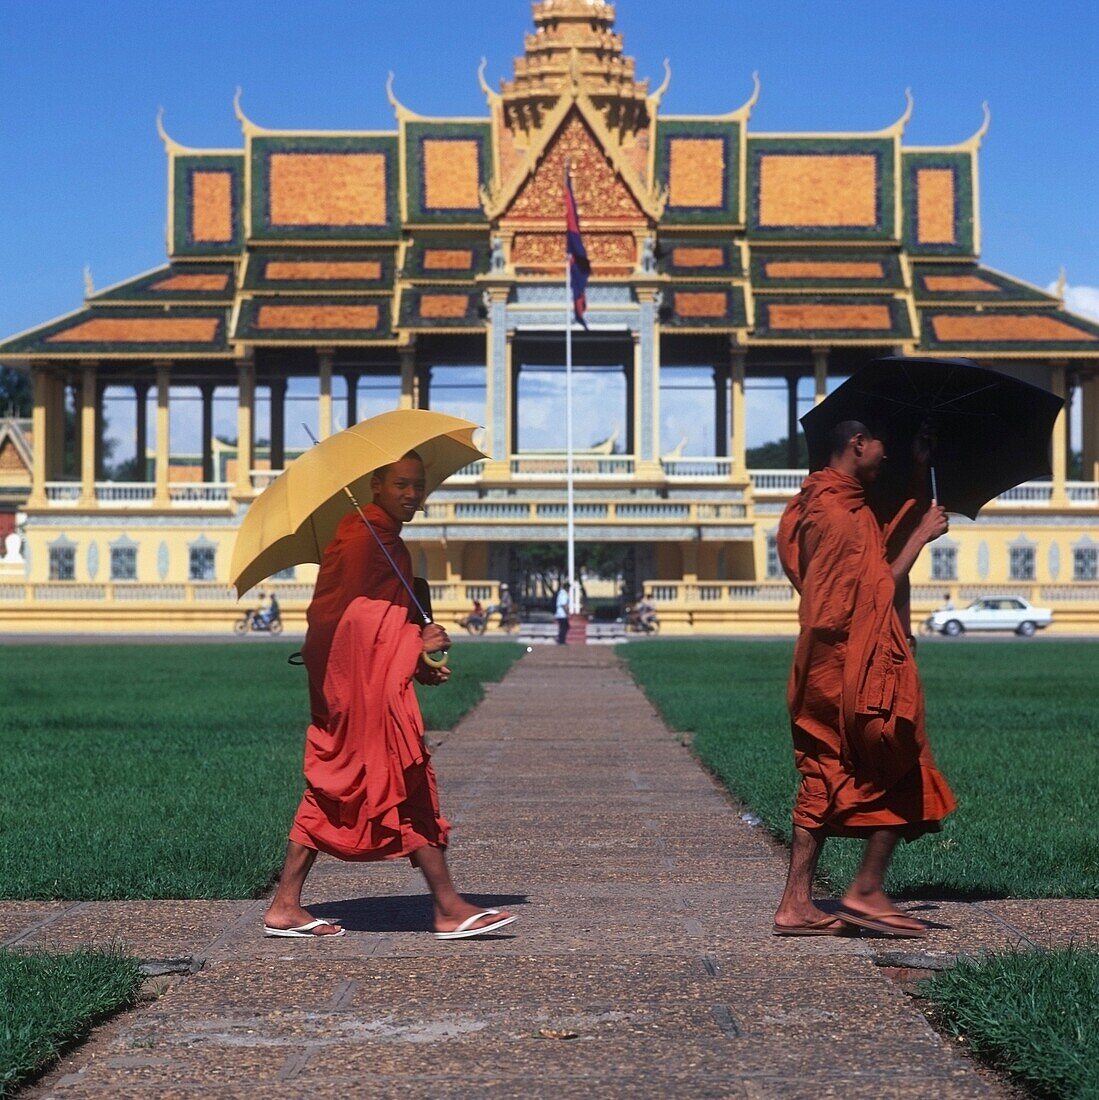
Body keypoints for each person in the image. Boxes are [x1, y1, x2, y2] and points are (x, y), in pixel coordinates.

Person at [263, 451, 516, 940]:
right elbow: (353, 624)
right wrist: (414, 645)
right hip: (359, 690)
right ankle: (446, 908)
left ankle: (285, 905)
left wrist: (417, 659)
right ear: (375, 484)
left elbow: (378, 621)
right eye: (400, 483)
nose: (411, 495)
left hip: (362, 686)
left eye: (417, 486)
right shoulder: (365, 542)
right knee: (400, 783)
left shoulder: (383, 543)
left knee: (339, 787)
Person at [772, 420, 956, 938]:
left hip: (827, 663)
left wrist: (921, 469)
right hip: (843, 663)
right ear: (858, 444)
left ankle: (795, 905)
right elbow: (869, 588)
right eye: (882, 446)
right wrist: (922, 536)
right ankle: (866, 889)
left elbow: (875, 545)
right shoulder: (838, 513)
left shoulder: (822, 501)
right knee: (900, 756)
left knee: (823, 773)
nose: (884, 458)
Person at [554, 580, 570, 644]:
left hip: (559, 613)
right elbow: (564, 604)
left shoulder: (560, 593)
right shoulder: (564, 594)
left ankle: (561, 639)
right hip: (562, 614)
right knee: (565, 627)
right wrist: (567, 612)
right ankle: (561, 640)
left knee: (563, 627)